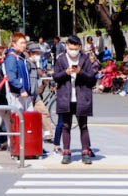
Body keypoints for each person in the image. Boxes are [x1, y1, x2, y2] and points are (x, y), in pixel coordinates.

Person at [53, 35, 98, 164]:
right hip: (65, 97)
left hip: (82, 97)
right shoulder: (61, 59)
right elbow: (55, 76)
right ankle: (66, 152)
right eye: (70, 48)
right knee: (66, 125)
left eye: (75, 48)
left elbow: (92, 78)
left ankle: (85, 151)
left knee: (83, 125)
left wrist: (81, 72)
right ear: (66, 46)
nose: (72, 51)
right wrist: (65, 73)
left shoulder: (85, 59)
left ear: (79, 47)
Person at [27, 43, 55, 140]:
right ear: (31, 53)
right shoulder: (27, 64)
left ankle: (48, 134)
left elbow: (40, 73)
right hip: (28, 96)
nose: (39, 55)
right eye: (38, 53)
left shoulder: (34, 63)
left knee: (44, 112)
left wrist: (45, 74)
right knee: (29, 119)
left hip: (35, 95)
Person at [5, 33, 32, 111]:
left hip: (25, 95)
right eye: (21, 43)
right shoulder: (11, 57)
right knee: (18, 120)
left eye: (24, 43)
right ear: (14, 44)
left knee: (27, 120)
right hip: (17, 95)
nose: (24, 45)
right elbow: (11, 77)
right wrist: (21, 89)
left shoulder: (22, 57)